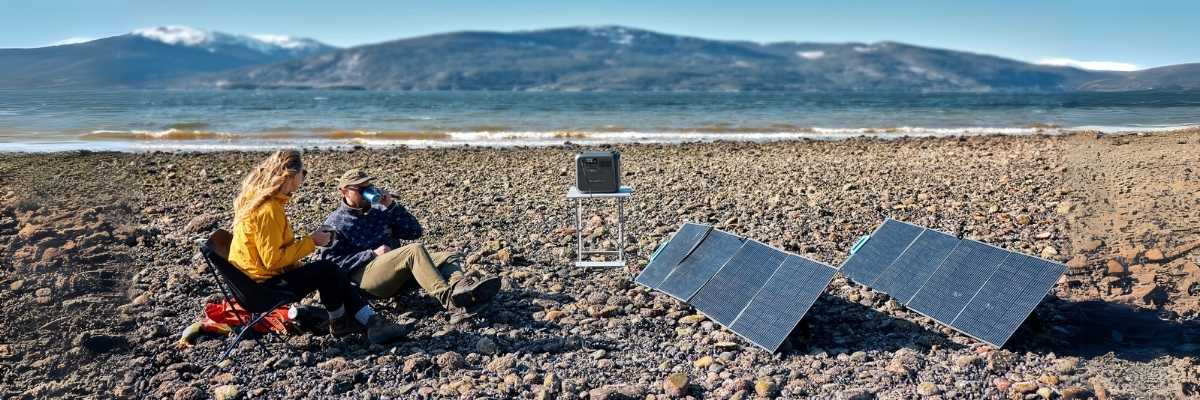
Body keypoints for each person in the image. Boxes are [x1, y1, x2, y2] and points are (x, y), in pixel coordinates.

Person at [226, 150, 405, 344]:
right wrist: (313, 241)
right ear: (291, 176)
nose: (304, 178)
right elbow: (272, 260)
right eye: (303, 173)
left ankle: (363, 320)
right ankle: (351, 321)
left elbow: (271, 252)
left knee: (329, 270)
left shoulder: (259, 201)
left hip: (250, 283)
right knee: (327, 270)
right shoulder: (268, 210)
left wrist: (308, 243)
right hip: (262, 289)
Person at [318, 168, 500, 312]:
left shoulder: (381, 211)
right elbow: (330, 265)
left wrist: (391, 206)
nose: (367, 192)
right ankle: (451, 303)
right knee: (414, 250)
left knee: (449, 256)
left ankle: (462, 289)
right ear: (344, 191)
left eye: (369, 187)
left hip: (397, 271)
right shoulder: (335, 223)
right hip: (367, 279)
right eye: (361, 189)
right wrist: (371, 254)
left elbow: (414, 232)